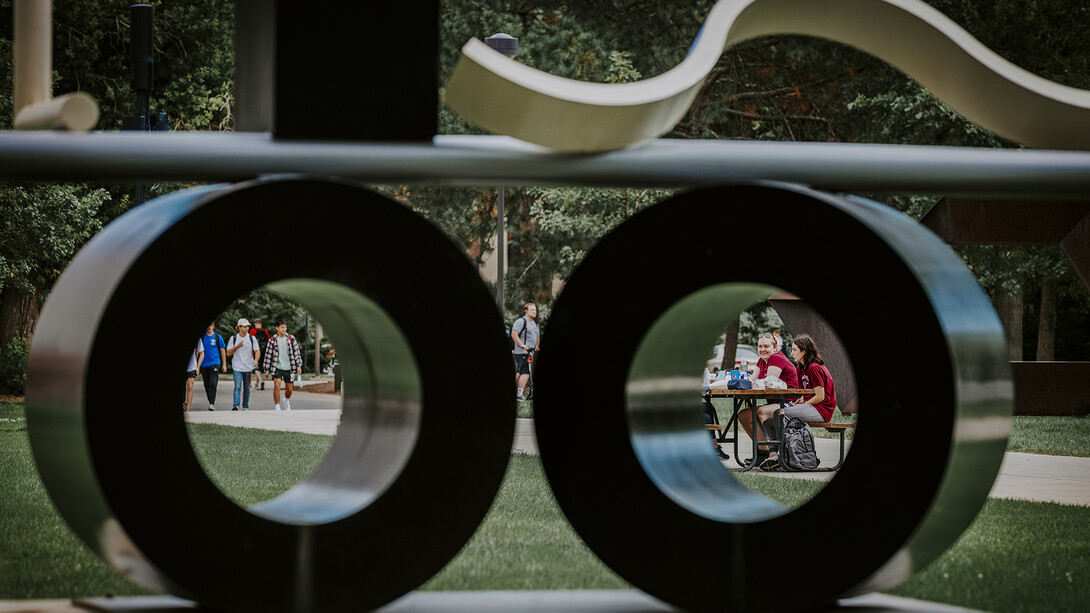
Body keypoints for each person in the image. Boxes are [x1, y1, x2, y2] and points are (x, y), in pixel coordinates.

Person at [741, 333, 837, 470]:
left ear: (803, 351)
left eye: (794, 350)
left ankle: (786, 455)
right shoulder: (800, 368)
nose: (791, 353)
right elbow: (805, 391)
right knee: (769, 421)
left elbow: (820, 396)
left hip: (822, 410)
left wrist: (803, 404)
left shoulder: (813, 367)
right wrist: (800, 401)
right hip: (810, 406)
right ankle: (773, 455)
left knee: (778, 413)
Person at [736, 332, 800, 466]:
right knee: (744, 415)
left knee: (762, 412)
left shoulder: (776, 358)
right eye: (760, 346)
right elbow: (752, 381)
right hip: (775, 403)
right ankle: (762, 452)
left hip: (790, 403)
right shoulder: (761, 360)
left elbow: (767, 385)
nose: (762, 349)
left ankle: (774, 455)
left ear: (775, 348)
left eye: (766, 346)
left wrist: (752, 383)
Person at [261, 320, 303, 411]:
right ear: (277, 328)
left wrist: (299, 365)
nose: (284, 329)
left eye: (285, 327)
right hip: (277, 367)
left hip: (289, 367)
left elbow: (297, 353)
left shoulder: (291, 338)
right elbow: (268, 355)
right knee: (277, 384)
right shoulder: (272, 340)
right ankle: (277, 406)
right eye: (282, 327)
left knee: (289, 389)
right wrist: (266, 369)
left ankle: (286, 400)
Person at [227, 318, 261, 411]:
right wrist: (237, 347)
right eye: (244, 326)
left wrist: (256, 360)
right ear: (238, 327)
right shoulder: (233, 338)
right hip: (237, 367)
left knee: (247, 388)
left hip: (248, 367)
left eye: (247, 326)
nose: (246, 328)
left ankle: (245, 406)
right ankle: (236, 405)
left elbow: (257, 351)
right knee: (237, 387)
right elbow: (228, 353)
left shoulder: (251, 338)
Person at [511, 302, 540, 401]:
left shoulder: (535, 324)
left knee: (520, 372)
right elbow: (514, 334)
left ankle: (514, 392)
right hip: (522, 352)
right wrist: (522, 345)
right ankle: (519, 395)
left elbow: (537, 336)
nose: (534, 312)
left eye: (535, 310)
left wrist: (536, 346)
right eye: (532, 310)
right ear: (526, 311)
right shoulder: (521, 321)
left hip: (530, 352)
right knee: (525, 372)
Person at [199, 323, 227, 411]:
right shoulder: (202, 338)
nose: (209, 327)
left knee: (213, 383)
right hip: (204, 364)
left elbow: (222, 351)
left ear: (213, 326)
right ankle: (210, 400)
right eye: (208, 325)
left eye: (210, 325)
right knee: (206, 385)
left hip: (215, 362)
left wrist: (224, 364)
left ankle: (212, 403)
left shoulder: (218, 337)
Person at [249, 318, 272, 390]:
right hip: (264, 352)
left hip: (255, 351)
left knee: (256, 367)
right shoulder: (265, 331)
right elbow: (269, 341)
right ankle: (257, 384)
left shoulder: (253, 331)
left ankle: (261, 381)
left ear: (255, 324)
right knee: (260, 368)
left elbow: (250, 340)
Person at [185, 340, 203, 412]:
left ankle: (188, 409)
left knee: (189, 386)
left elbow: (202, 353)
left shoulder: (198, 339)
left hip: (192, 366)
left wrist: (198, 367)